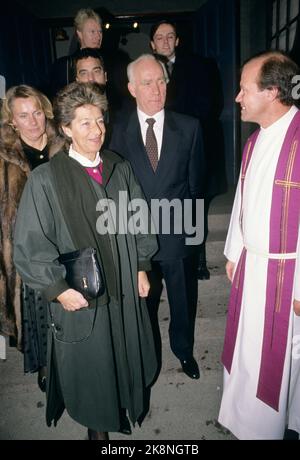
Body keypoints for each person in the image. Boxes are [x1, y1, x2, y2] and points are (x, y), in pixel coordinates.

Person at [13, 82, 158, 440]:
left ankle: (125, 404)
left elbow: (138, 217)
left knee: (124, 345)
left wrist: (141, 263)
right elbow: (30, 243)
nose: (96, 131)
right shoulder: (47, 179)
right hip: (82, 290)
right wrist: (58, 289)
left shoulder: (117, 167)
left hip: (123, 279)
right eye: (84, 124)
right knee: (94, 361)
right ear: (64, 129)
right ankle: (98, 426)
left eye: (99, 121)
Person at [218, 51, 300, 440]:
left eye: (244, 89)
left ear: (271, 92)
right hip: (255, 267)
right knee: (248, 356)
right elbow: (242, 199)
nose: (237, 98)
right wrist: (236, 250)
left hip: (288, 277)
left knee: (285, 365)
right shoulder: (254, 140)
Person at [110, 54, 204, 380]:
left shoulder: (189, 127)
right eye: (147, 83)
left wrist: (194, 240)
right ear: (132, 88)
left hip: (177, 232)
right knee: (143, 305)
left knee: (181, 299)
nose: (156, 89)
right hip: (136, 237)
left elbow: (194, 186)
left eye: (161, 81)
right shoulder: (113, 130)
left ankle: (183, 350)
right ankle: (145, 356)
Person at [150, 20, 227, 280]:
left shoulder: (200, 66)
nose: (165, 41)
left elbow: (210, 106)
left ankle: (198, 260)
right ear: (152, 43)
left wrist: (179, 130)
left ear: (177, 41)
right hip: (159, 151)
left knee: (196, 206)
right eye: (160, 38)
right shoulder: (143, 71)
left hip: (194, 147)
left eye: (170, 36)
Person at [0, 84, 55, 391]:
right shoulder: (4, 157)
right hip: (26, 249)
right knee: (36, 308)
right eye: (24, 115)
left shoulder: (65, 145)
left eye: (37, 112)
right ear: (12, 121)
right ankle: (44, 363)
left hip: (65, 242)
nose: (33, 122)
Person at [48, 8, 103, 98]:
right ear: (80, 34)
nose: (98, 36)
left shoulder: (108, 62)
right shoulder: (63, 65)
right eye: (92, 31)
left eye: (100, 31)